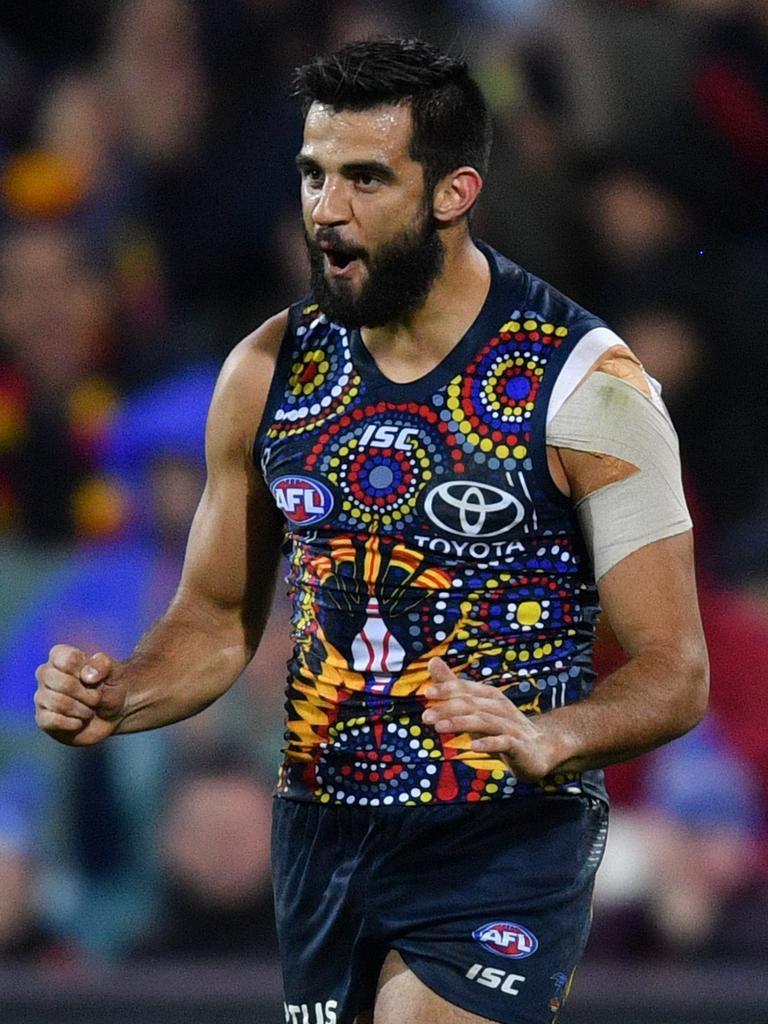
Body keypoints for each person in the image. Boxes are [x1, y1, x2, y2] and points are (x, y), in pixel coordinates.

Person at [34, 37, 708, 1024]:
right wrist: (124, 692)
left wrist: (551, 733)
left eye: (363, 178)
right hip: (323, 838)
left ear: (452, 191)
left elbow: (675, 669)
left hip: (504, 840)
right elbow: (218, 619)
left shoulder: (588, 388)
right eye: (313, 175)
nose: (325, 208)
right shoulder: (264, 374)